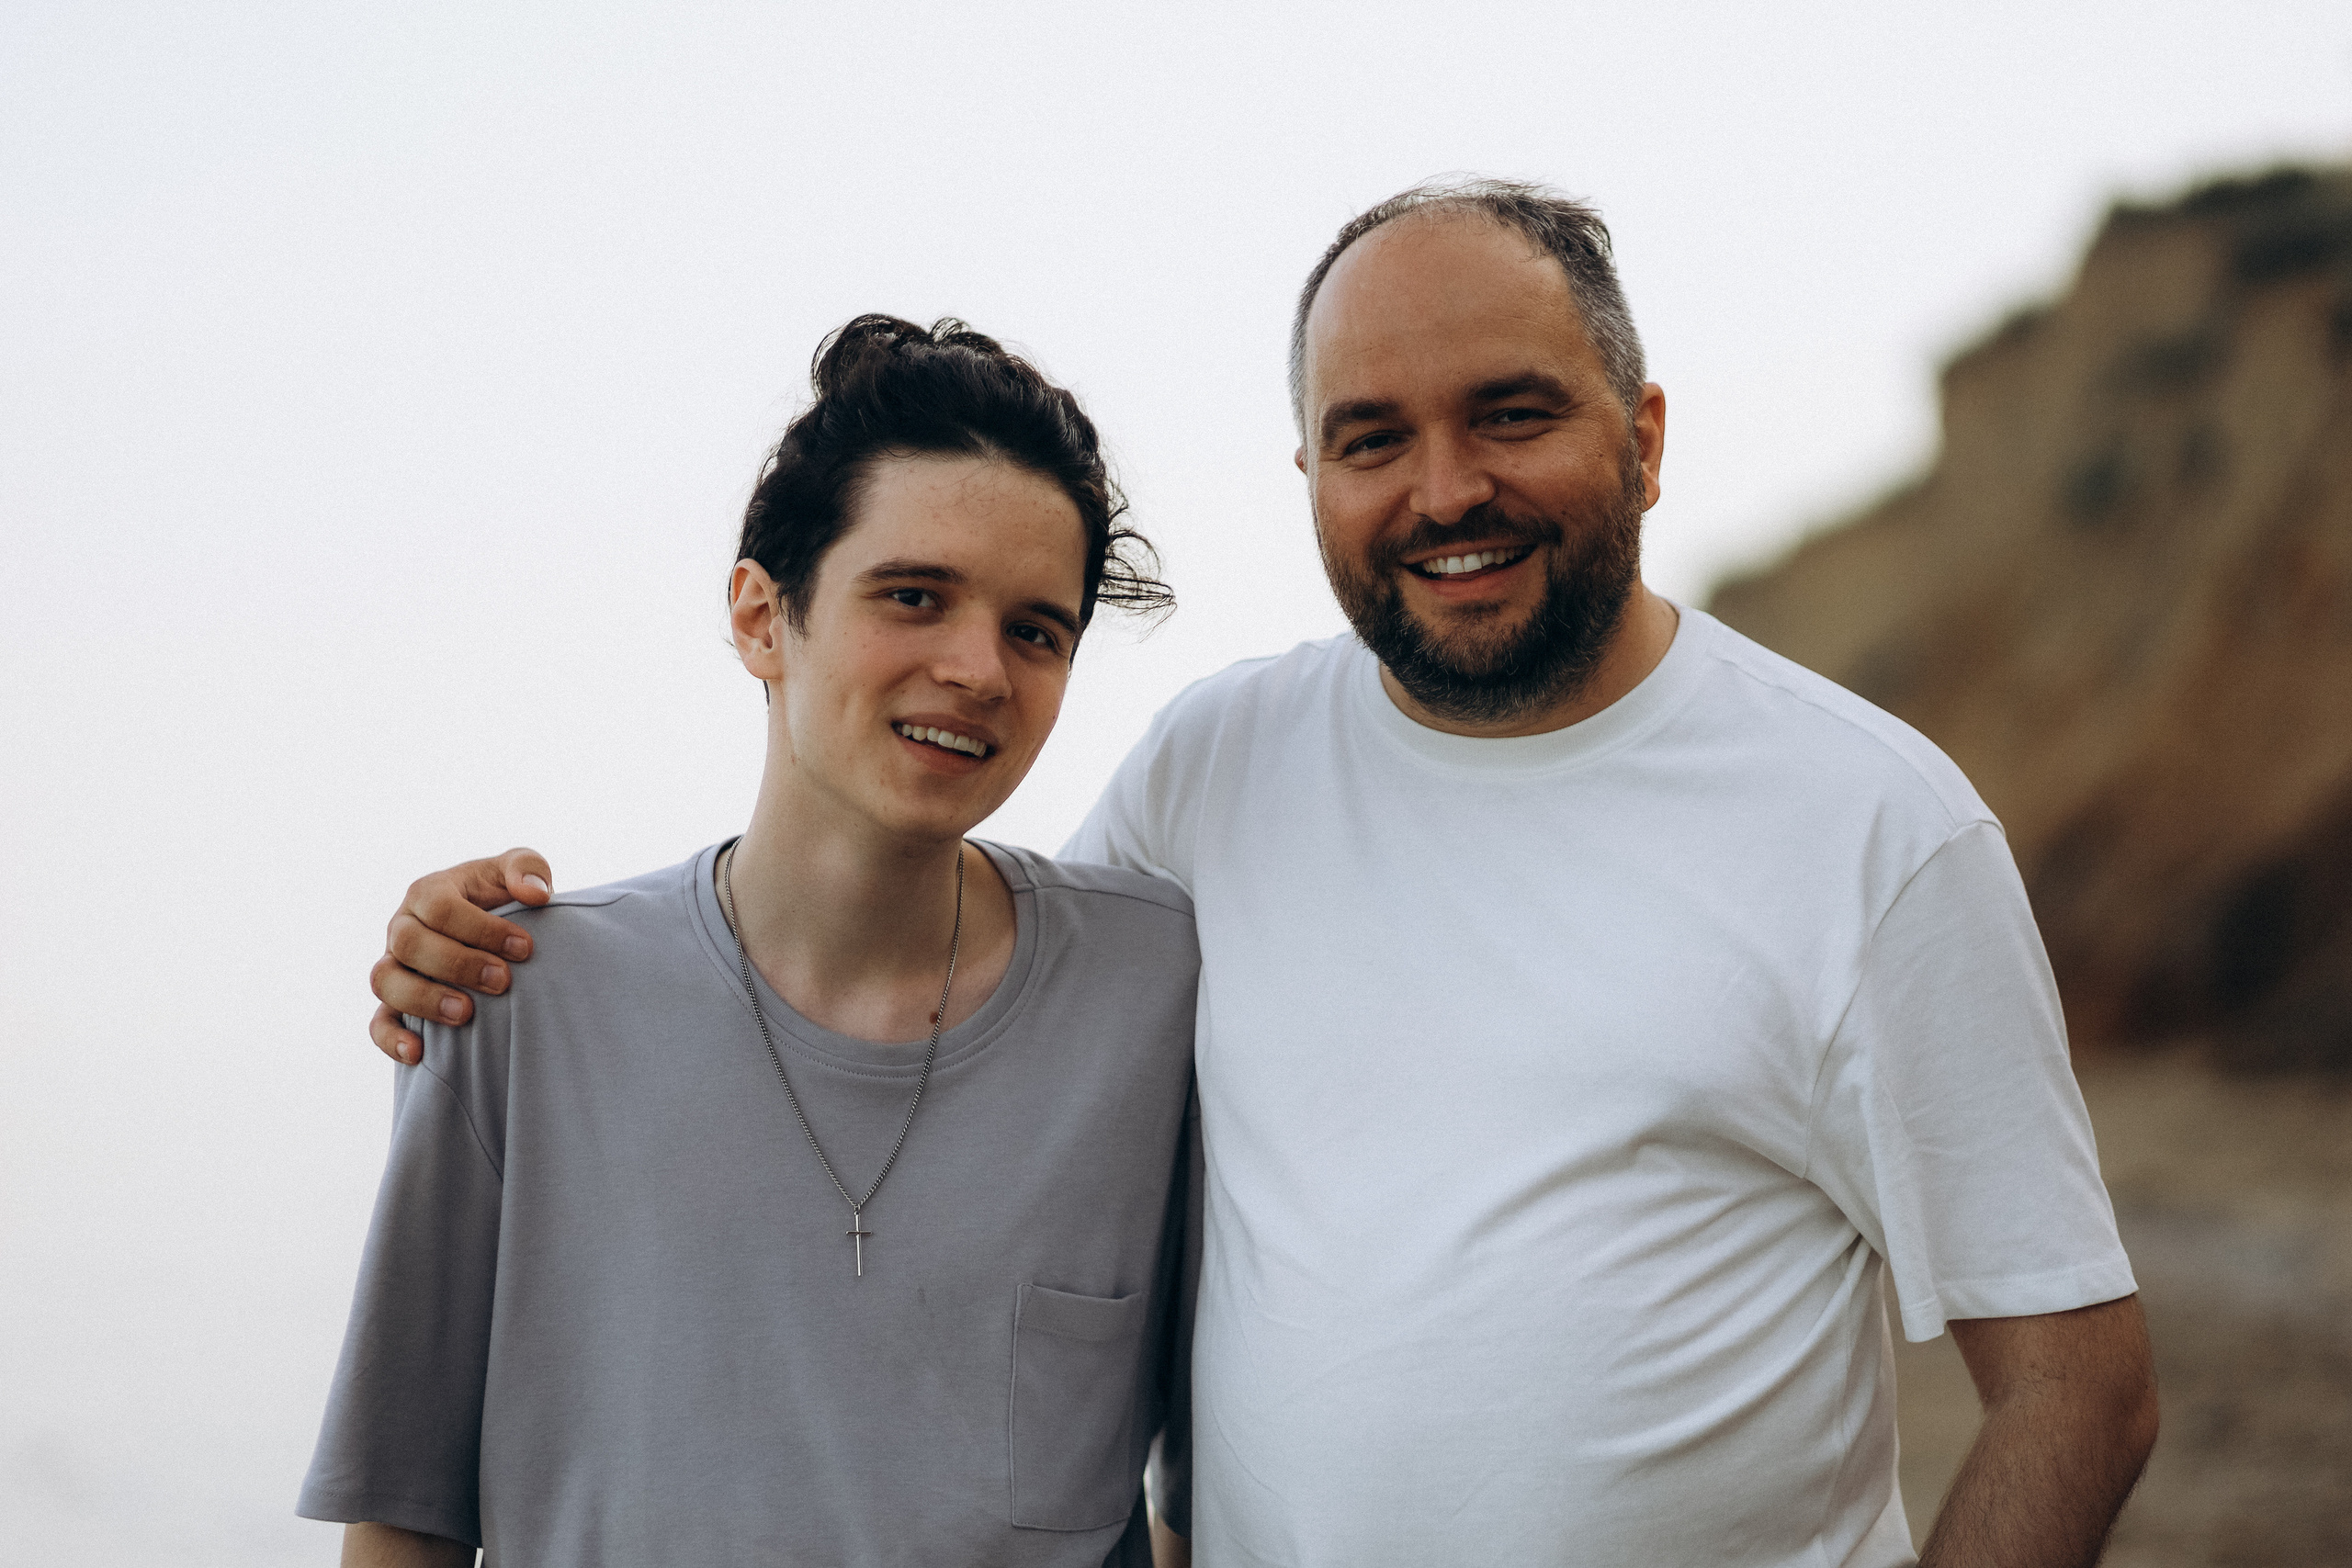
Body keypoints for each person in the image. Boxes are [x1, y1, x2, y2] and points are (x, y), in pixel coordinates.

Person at [370, 182, 2159, 1567]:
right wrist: (517, 957)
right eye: (1371, 436)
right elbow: (921, 994)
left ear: (1643, 434)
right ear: (1308, 473)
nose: (1442, 486)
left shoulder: (1866, 827)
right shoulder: (1211, 770)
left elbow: (2077, 1385)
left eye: (1510, 412)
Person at [303, 315, 1204, 1568]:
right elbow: (404, 1520)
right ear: (760, 618)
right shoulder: (517, 1000)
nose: (977, 669)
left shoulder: (1157, 995)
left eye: (1035, 630)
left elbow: (1197, 1493)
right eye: (914, 596)